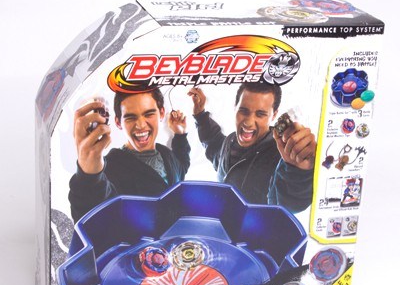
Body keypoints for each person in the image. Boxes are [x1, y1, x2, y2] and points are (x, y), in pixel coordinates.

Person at [188, 82, 316, 213]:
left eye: (260, 114)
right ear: (235, 107)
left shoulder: (281, 155)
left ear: (274, 115)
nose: (248, 122)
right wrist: (200, 116)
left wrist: (298, 170)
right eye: (243, 111)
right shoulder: (230, 141)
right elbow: (214, 144)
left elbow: (287, 205)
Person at [69, 89, 190, 222]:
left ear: (161, 113)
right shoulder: (112, 168)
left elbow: (181, 167)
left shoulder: (166, 154)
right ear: (118, 122)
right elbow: (93, 217)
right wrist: (89, 175)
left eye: (149, 114)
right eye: (130, 118)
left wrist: (180, 135)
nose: (141, 125)